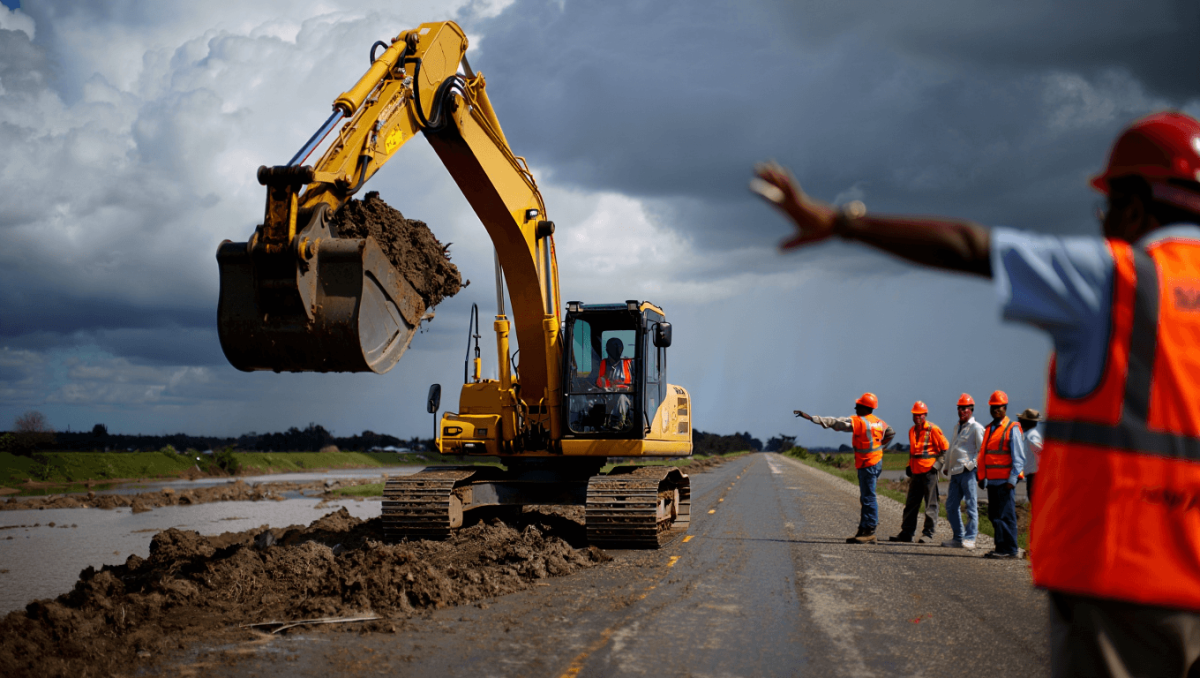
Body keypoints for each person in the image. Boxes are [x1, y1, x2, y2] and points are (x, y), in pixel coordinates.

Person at [754, 111, 1200, 676]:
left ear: (1133, 205)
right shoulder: (897, 426)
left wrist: (842, 223)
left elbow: (972, 246)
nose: (1103, 222)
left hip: (1125, 578)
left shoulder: (1120, 278)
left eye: (1106, 207)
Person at [795, 393, 895, 544]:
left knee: (868, 497)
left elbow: (836, 423)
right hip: (875, 461)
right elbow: (890, 433)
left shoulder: (859, 421)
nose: (855, 408)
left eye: (858, 405)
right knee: (866, 496)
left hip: (868, 463)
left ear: (865, 407)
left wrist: (812, 418)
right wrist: (881, 447)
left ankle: (870, 531)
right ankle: (863, 529)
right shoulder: (879, 422)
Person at [976, 391, 1026, 559]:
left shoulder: (1012, 428)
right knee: (995, 516)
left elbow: (1019, 458)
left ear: (1005, 408)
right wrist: (981, 477)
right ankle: (1000, 547)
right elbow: (984, 455)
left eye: (999, 407)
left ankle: (1010, 549)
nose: (996, 410)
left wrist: (1012, 479)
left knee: (1006, 516)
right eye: (993, 407)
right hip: (992, 481)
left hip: (1005, 482)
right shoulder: (989, 429)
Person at [890, 401, 948, 543]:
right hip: (915, 472)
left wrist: (937, 466)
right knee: (911, 504)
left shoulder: (933, 429)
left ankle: (928, 534)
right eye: (915, 414)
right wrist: (908, 466)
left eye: (920, 415)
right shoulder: (912, 430)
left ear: (925, 415)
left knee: (931, 505)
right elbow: (913, 452)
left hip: (929, 472)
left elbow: (945, 449)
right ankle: (907, 533)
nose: (917, 417)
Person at [942, 393, 983, 549]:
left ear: (971, 409)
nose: (962, 411)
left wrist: (972, 465)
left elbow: (982, 451)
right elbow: (953, 447)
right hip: (955, 472)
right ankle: (958, 537)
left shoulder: (976, 427)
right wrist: (946, 465)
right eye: (960, 408)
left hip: (968, 472)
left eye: (965, 408)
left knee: (971, 505)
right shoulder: (957, 427)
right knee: (951, 505)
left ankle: (970, 538)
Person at [1017, 408, 1043, 504]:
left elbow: (1040, 450)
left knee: (1034, 500)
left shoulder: (1032, 435)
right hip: (1032, 474)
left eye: (1022, 420)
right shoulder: (1029, 434)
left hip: (1034, 475)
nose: (1020, 422)